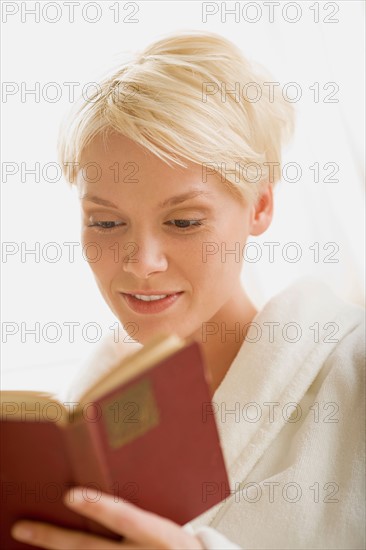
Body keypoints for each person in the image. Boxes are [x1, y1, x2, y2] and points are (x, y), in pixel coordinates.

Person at [11, 31, 365, 550]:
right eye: (106, 223)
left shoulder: (353, 380)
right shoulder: (81, 429)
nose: (142, 264)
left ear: (260, 207)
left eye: (182, 221)